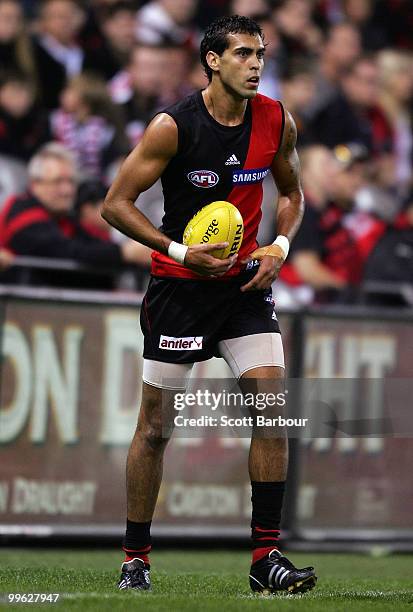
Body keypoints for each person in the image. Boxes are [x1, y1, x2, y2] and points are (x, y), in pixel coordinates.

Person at [102, 15, 317, 595]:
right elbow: (116, 204)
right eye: (244, 53)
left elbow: (293, 193)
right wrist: (178, 250)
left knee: (274, 409)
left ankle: (265, 558)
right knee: (155, 429)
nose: (256, 64)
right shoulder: (174, 126)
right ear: (213, 61)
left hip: (245, 285)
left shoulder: (276, 120)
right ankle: (136, 557)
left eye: (262, 54)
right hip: (180, 288)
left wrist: (279, 245)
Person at [0, 142, 151, 287]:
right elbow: (66, 251)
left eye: (70, 182)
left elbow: (88, 241)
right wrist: (123, 253)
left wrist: (132, 251)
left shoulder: (60, 217)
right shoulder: (24, 215)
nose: (67, 191)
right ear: (35, 184)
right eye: (58, 182)